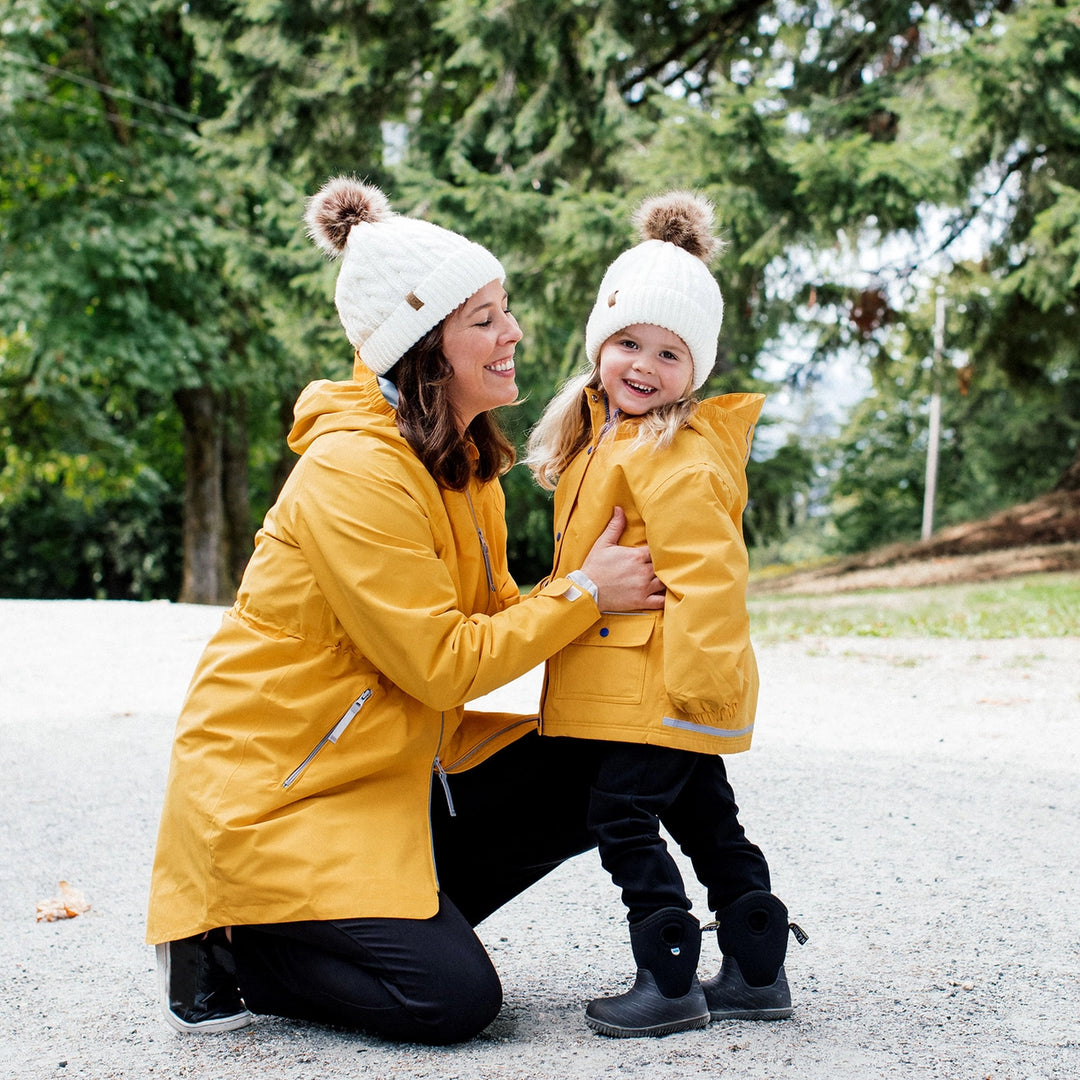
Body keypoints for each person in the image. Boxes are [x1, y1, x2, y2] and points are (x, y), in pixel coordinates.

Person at [146, 175, 666, 1045]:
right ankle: (230, 942)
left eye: (505, 310)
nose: (514, 334)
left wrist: (608, 592)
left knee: (600, 762)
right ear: (424, 346)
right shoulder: (354, 471)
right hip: (287, 796)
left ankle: (391, 921)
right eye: (485, 320)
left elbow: (501, 615)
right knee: (453, 1004)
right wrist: (582, 594)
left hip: (385, 769)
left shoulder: (460, 460)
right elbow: (443, 662)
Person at [525, 192, 805, 1039]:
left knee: (619, 816)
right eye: (628, 343)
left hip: (666, 684)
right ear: (599, 345)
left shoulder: (672, 452)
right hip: (645, 680)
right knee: (706, 816)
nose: (644, 365)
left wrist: (697, 687)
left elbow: (711, 577)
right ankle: (759, 972)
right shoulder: (602, 433)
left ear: (698, 367)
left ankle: (668, 976)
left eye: (669, 353)